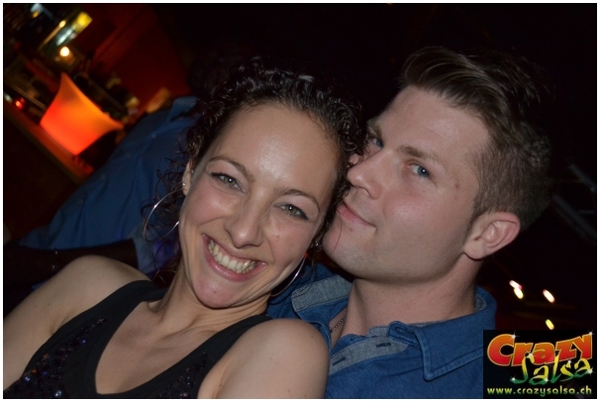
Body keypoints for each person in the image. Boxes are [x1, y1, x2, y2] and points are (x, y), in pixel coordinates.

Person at [3, 57, 367, 398]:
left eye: (291, 208)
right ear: (191, 172)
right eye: (229, 180)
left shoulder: (283, 355)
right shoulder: (86, 286)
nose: (243, 232)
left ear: (317, 234)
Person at [268, 46, 554, 398]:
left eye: (419, 170)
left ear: (487, 234)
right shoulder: (269, 285)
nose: (358, 172)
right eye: (376, 140)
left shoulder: (509, 384)